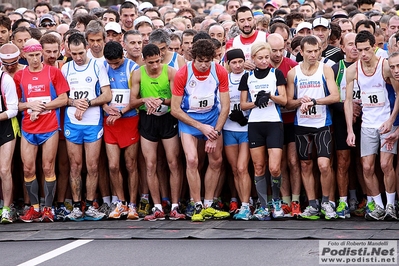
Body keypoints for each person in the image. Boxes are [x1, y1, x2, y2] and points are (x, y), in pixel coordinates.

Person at [171, 39, 230, 222]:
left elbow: (225, 106)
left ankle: (209, 204)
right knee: (191, 159)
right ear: (193, 58)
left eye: (208, 61)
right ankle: (196, 204)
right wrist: (201, 127)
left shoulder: (219, 71)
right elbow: (175, 109)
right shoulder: (183, 73)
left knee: (216, 160)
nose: (204, 65)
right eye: (200, 61)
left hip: (212, 117)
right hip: (189, 119)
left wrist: (215, 133)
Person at [345, 31, 399, 221]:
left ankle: (391, 205)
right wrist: (350, 130)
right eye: (359, 50)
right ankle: (378, 205)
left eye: (367, 49)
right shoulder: (353, 70)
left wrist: (392, 120)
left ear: (374, 46)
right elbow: (348, 101)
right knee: (367, 167)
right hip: (367, 124)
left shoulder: (385, 67)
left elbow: (398, 94)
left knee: (385, 165)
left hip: (385, 122)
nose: (364, 54)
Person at [15, 39, 69, 222]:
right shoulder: (19, 76)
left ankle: (48, 208)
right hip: (28, 127)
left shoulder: (53, 72)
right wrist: (29, 105)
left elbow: (63, 99)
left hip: (49, 126)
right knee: (28, 168)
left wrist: (43, 107)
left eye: (38, 55)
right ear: (24, 56)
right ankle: (35, 207)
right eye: (31, 56)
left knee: (48, 166)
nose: (35, 59)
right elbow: (14, 105)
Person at [286, 35, 340, 220]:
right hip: (302, 125)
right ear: (301, 52)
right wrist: (299, 101)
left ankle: (327, 202)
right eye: (309, 51)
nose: (313, 54)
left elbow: (335, 96)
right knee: (305, 165)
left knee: (324, 165)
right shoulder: (294, 73)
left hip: (322, 123)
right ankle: (312, 204)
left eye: (316, 51)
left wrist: (315, 101)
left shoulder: (325, 70)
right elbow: (287, 102)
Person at [131, 44, 185, 221]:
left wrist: (162, 100)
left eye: (157, 61)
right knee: (150, 164)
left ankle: (175, 206)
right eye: (151, 62)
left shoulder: (170, 72)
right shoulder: (138, 73)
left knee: (173, 162)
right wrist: (145, 99)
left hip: (167, 118)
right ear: (144, 60)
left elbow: (177, 98)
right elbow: (133, 102)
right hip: (148, 119)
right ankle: (157, 207)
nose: (155, 65)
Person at [61, 32, 112, 221]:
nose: (78, 57)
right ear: (69, 51)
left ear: (87, 48)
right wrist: (74, 103)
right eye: (73, 54)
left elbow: (107, 95)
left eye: (81, 53)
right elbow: (61, 97)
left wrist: (87, 103)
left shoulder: (97, 66)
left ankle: (90, 205)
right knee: (75, 166)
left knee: (92, 166)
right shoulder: (65, 68)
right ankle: (76, 206)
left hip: (92, 121)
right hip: (73, 122)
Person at [239, 41, 287, 220]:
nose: (264, 61)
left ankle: (276, 201)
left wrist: (270, 96)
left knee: (274, 168)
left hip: (274, 123)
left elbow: (284, 100)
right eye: (260, 58)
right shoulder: (248, 76)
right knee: (258, 167)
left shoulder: (277, 73)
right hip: (255, 124)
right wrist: (256, 102)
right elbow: (244, 105)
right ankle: (263, 205)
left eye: (267, 57)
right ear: (253, 58)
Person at [102, 41, 141, 220]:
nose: (113, 66)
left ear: (123, 57)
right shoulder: (102, 66)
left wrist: (120, 112)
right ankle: (120, 203)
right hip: (110, 121)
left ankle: (132, 205)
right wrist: (105, 107)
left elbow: (135, 98)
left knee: (130, 164)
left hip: (128, 119)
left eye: (117, 63)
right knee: (113, 165)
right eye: (111, 63)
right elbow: (99, 93)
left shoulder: (133, 68)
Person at [330, 32, 363, 219]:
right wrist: (347, 108)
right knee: (343, 162)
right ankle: (343, 200)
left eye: (356, 44)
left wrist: (360, 109)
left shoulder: (367, 66)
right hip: (342, 120)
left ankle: (366, 199)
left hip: (365, 119)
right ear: (342, 47)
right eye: (350, 44)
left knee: (364, 162)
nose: (354, 48)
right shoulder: (336, 68)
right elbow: (332, 98)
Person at [222, 48, 252, 220]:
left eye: (240, 61)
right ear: (228, 64)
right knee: (234, 169)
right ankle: (242, 204)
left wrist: (245, 117)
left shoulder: (250, 76)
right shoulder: (224, 79)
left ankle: (247, 204)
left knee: (242, 168)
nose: (238, 65)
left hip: (246, 128)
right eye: (234, 62)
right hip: (229, 128)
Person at [0, 65, 19, 223]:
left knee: (5, 169)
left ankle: (7, 208)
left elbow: (14, 109)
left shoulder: (5, 79)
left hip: (5, 125)